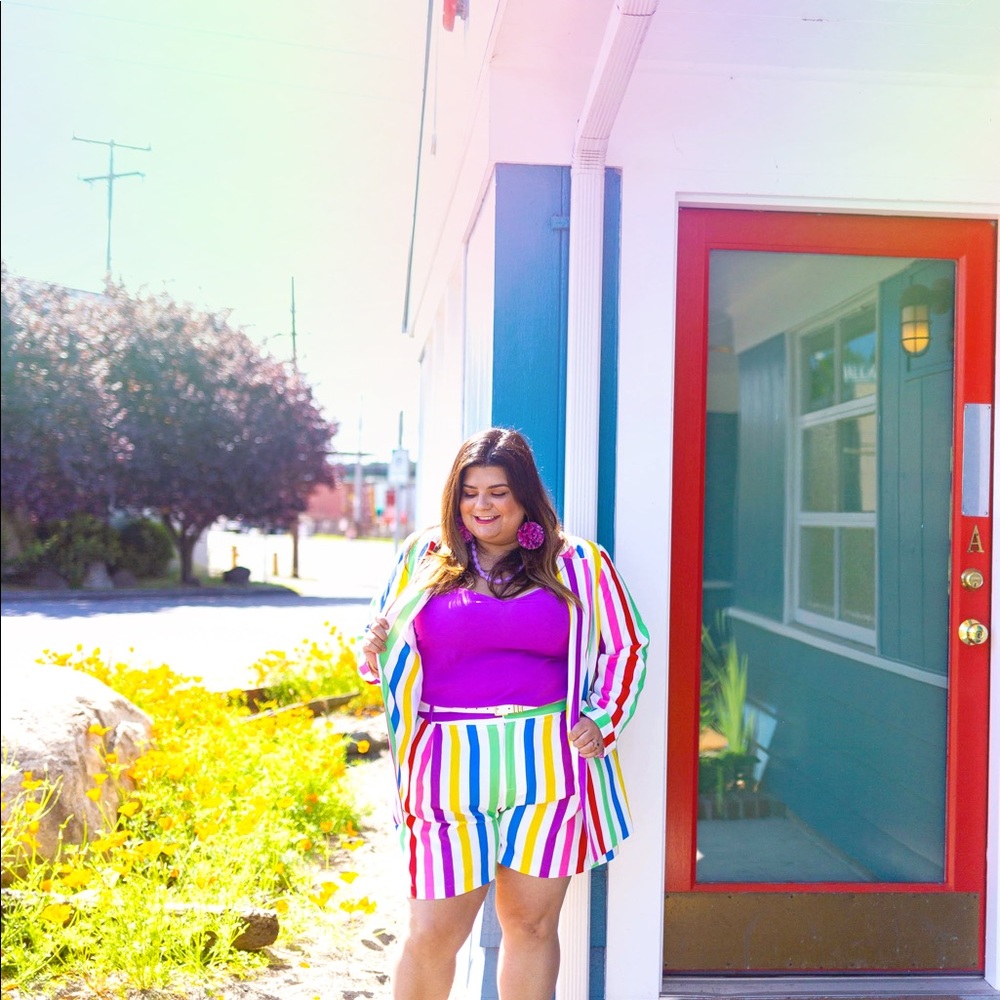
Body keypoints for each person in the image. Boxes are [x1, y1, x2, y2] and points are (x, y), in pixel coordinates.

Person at [360, 427, 648, 1000]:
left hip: (547, 762)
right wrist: (372, 648)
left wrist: (601, 716)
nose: (482, 506)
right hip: (444, 764)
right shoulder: (424, 557)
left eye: (497, 492)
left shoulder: (578, 562)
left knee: (532, 926)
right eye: (469, 493)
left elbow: (627, 645)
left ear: (525, 497)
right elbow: (380, 653)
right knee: (433, 932)